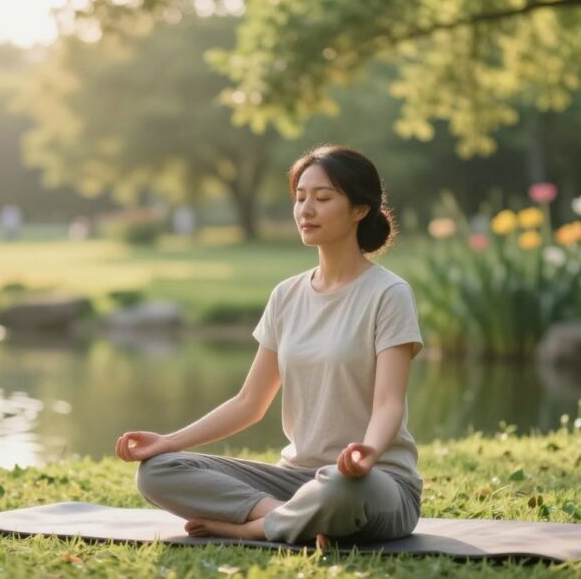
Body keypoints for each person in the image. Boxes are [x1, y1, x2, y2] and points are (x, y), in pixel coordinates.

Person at [114, 145, 424, 548]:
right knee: (158, 471)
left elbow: (388, 404)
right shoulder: (286, 295)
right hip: (297, 479)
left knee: (338, 491)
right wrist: (169, 441)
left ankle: (252, 528)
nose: (305, 209)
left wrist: (367, 452)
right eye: (300, 198)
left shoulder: (389, 294)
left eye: (323, 198)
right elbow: (249, 401)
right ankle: (288, 516)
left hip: (374, 481)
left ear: (359, 209)